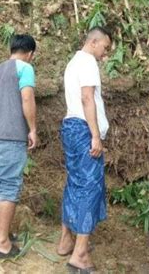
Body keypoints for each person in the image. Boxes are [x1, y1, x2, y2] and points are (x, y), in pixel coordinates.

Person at [57, 26, 111, 273]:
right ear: (94, 42)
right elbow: (87, 97)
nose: (105, 53)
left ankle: (66, 240)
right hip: (83, 130)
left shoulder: (73, 63)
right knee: (90, 187)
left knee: (75, 182)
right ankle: (80, 254)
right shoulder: (88, 62)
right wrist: (95, 136)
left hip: (70, 127)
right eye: (105, 48)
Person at [0, 34, 38, 259]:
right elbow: (27, 98)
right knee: (9, 186)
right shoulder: (25, 68)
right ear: (30, 53)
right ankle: (2, 242)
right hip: (10, 136)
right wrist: (32, 129)